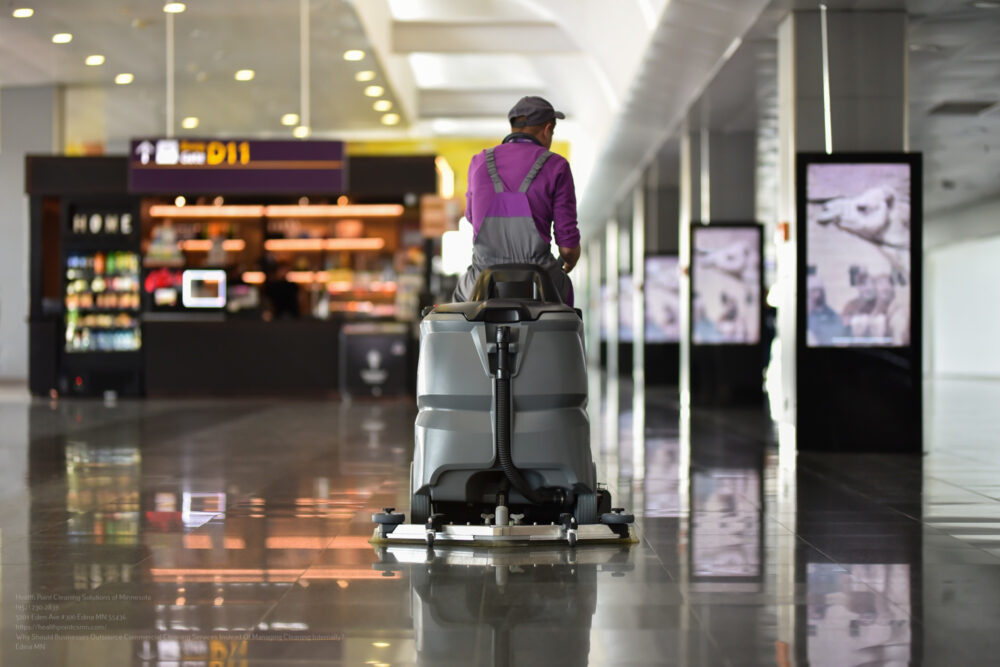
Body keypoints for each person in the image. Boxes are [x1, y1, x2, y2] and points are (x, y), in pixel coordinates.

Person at [453, 96, 581, 304]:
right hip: (539, 282)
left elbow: (470, 217)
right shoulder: (557, 166)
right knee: (565, 306)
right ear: (548, 129)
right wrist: (570, 260)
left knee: (460, 300)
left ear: (513, 127)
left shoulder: (479, 162)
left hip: (483, 281)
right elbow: (567, 246)